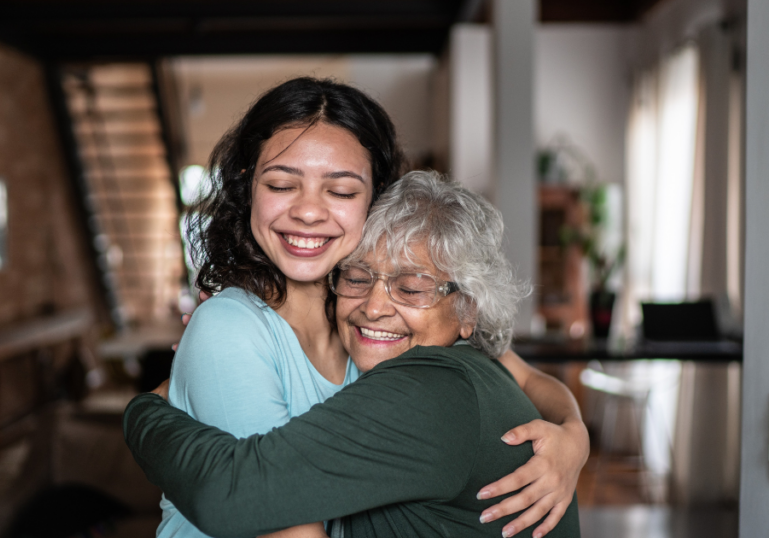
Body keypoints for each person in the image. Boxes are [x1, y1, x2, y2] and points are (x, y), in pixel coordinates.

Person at [162, 77, 588, 538]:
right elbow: (259, 508)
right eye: (282, 184)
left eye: (341, 191)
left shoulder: (369, 320)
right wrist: (147, 409)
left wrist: (573, 435)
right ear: (249, 190)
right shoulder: (238, 328)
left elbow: (524, 375)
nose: (308, 211)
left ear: (377, 198)